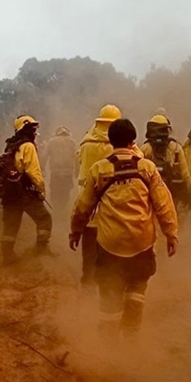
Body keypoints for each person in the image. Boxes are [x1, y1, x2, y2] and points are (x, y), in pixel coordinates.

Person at [70, 118, 178, 341]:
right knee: (137, 287)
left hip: (110, 244)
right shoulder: (146, 168)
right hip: (142, 242)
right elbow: (164, 204)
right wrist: (171, 233)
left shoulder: (100, 169)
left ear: (110, 141)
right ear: (133, 140)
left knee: (109, 293)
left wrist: (76, 230)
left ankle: (108, 346)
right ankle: (130, 338)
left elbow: (83, 206)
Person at [76, 104, 122, 288]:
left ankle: (87, 279)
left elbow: (78, 160)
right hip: (111, 199)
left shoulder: (86, 142)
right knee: (109, 241)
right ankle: (107, 279)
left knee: (89, 240)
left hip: (87, 198)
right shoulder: (118, 144)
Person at [0, 115, 53, 264]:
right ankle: (41, 251)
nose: (35, 132)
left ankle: (7, 256)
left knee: (11, 225)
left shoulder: (11, 145)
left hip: (10, 193)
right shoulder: (28, 146)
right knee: (44, 219)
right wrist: (41, 190)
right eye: (33, 129)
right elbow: (33, 171)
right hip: (25, 192)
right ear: (26, 129)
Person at [141, 115, 191, 213]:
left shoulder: (145, 149)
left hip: (151, 194)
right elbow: (186, 174)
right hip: (173, 193)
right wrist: (187, 193)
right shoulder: (176, 148)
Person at [44, 126, 78, 214]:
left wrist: (42, 169)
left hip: (55, 173)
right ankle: (62, 210)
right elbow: (77, 157)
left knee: (55, 191)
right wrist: (77, 171)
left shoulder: (52, 142)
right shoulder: (72, 142)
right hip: (68, 173)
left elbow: (45, 156)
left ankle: (56, 210)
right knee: (65, 192)